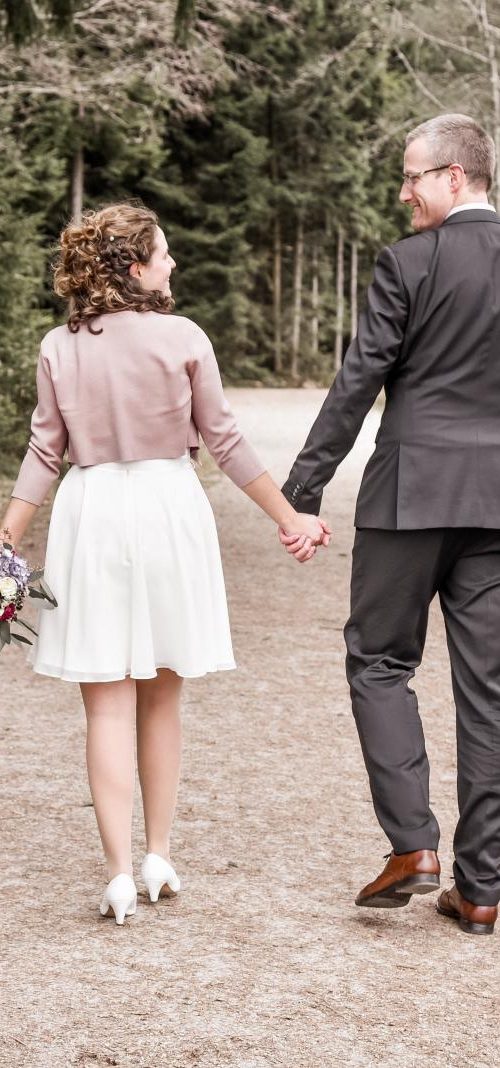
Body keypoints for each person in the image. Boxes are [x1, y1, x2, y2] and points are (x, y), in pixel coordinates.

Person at [1, 202, 330, 925]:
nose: (173, 263)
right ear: (135, 265)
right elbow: (227, 443)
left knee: (106, 700)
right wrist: (291, 520)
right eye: (165, 253)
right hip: (166, 509)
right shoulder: (183, 337)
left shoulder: (60, 345)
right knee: (162, 694)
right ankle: (157, 853)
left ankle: (118, 873)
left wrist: (5, 545)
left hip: (91, 516)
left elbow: (43, 452)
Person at [280, 114, 500, 936]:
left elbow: (358, 378)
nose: (402, 191)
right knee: (490, 695)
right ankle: (482, 889)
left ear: (456, 176)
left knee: (377, 661)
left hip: (409, 496)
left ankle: (414, 847)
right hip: (496, 505)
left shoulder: (408, 262)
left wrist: (305, 489)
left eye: (413, 176)